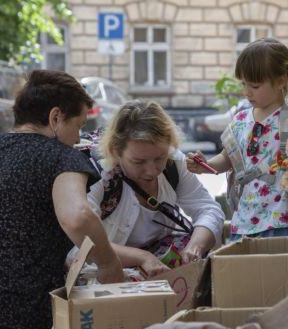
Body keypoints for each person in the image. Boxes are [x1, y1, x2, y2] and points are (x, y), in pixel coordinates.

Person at [0, 70, 124, 329]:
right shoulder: (62, 158)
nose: (78, 138)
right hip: (23, 311)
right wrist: (109, 264)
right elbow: (77, 217)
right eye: (78, 125)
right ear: (55, 117)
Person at [187, 38, 288, 240]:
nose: (247, 92)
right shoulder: (239, 121)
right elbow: (226, 159)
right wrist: (206, 165)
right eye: (244, 84)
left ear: (281, 81)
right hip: (244, 221)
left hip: (285, 220)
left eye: (254, 85)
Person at [76, 100, 224, 278]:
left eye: (159, 158)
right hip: (110, 267)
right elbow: (81, 244)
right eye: (138, 162)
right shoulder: (95, 175)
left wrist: (195, 247)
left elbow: (208, 209)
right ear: (116, 152)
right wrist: (141, 258)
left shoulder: (174, 163)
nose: (151, 170)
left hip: (159, 259)